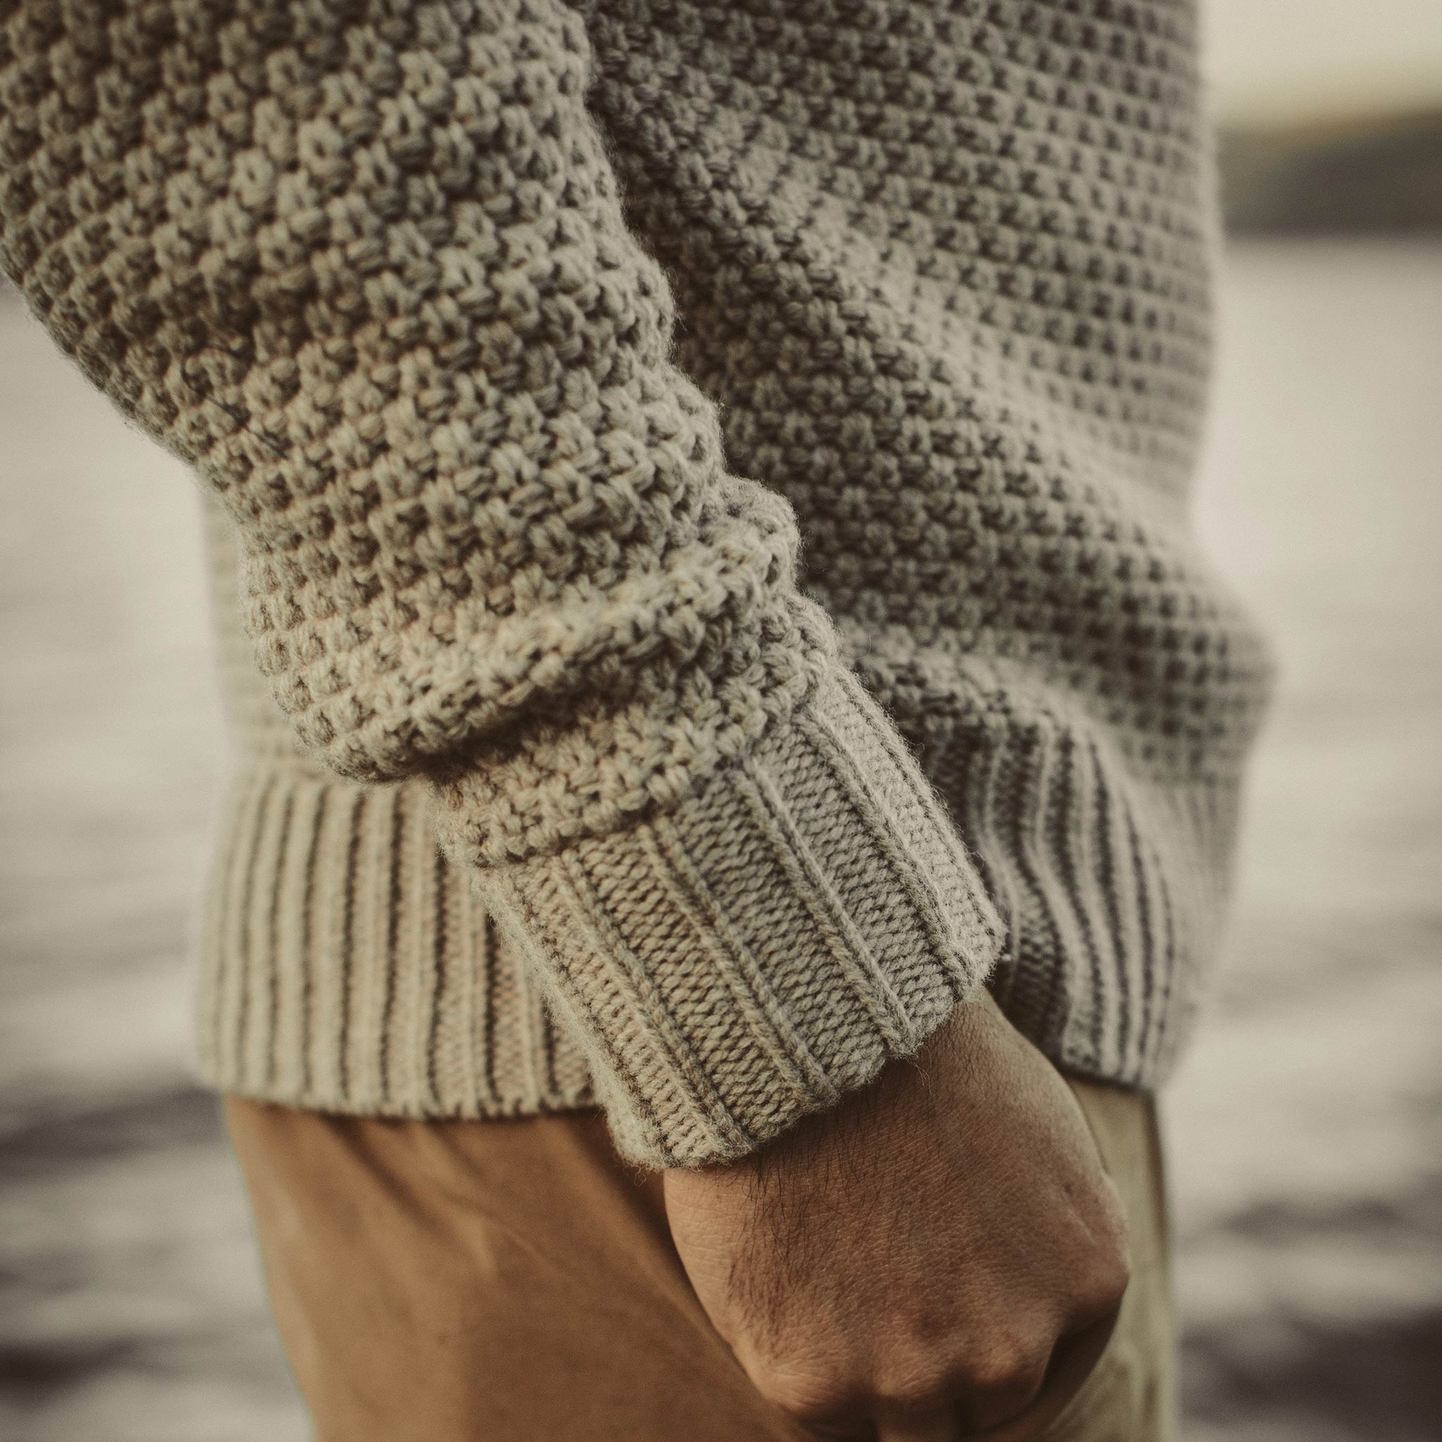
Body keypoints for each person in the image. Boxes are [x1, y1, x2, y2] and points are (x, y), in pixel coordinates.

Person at [0, 1, 1274, 1437]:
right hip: (719, 1032)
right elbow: (236, 87)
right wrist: (799, 1004)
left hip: (911, 1020)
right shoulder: (812, 1030)